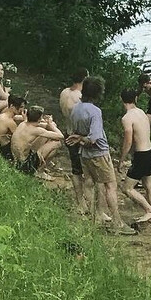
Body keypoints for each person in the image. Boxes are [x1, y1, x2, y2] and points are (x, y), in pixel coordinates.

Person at [67, 76, 127, 233]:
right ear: (98, 93)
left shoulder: (75, 108)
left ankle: (96, 216)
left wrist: (79, 138)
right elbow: (94, 138)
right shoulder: (95, 112)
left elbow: (76, 131)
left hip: (84, 154)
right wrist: (82, 138)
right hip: (99, 153)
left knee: (90, 183)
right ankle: (117, 222)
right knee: (110, 186)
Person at [118, 89, 151, 222]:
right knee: (149, 186)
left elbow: (128, 141)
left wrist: (122, 159)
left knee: (127, 188)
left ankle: (149, 210)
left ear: (121, 100)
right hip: (150, 152)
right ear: (135, 99)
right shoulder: (141, 112)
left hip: (141, 156)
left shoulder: (127, 118)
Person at [58, 70, 88, 206]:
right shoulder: (80, 96)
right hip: (79, 136)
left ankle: (80, 202)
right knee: (87, 170)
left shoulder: (64, 92)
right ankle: (89, 200)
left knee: (76, 169)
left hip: (68, 132)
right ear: (85, 78)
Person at [10, 106, 65, 177]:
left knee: (45, 136)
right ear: (39, 118)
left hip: (16, 160)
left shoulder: (23, 123)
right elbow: (61, 136)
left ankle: (40, 165)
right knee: (57, 143)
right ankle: (40, 171)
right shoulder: (37, 130)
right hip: (25, 165)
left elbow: (41, 125)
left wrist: (48, 123)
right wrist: (51, 124)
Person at [0, 95, 26, 159]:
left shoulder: (3, 115)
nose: (22, 110)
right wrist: (25, 122)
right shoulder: (10, 122)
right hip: (3, 150)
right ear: (12, 106)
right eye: (21, 107)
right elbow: (20, 137)